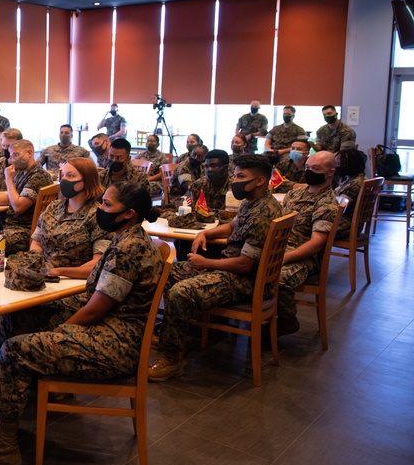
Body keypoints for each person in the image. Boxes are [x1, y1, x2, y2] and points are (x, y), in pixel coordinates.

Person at [0, 182, 163, 465]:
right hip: (110, 326)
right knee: (21, 316)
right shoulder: (127, 237)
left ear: (128, 213)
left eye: (106, 206)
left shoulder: (129, 249)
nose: (100, 211)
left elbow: (94, 310)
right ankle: (4, 400)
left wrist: (59, 332)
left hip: (115, 343)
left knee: (14, 351)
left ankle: (4, 447)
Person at [148, 154, 283, 381]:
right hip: (230, 270)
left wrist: (206, 263)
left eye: (241, 176)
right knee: (161, 272)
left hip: (244, 279)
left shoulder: (262, 214)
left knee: (181, 292)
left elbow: (245, 264)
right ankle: (169, 333)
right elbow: (232, 225)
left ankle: (171, 358)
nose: (235, 180)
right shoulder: (255, 202)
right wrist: (205, 233)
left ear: (260, 181)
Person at [274, 151, 339, 338]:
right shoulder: (295, 193)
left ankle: (286, 320)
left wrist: (282, 258)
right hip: (278, 248)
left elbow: (316, 244)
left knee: (277, 278)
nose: (310, 172)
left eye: (316, 169)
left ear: (330, 173)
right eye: (308, 167)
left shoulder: (326, 203)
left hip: (302, 257)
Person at [0, 139, 52, 256]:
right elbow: (11, 197)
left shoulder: (38, 176)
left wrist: (8, 179)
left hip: (22, 230)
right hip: (6, 224)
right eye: (11, 156)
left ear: (30, 153)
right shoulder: (22, 172)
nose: (13, 160)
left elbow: (18, 206)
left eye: (16, 155)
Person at [184, 149, 232, 215]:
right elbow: (184, 202)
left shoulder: (234, 186)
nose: (209, 169)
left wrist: (214, 211)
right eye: (206, 166)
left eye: (213, 166)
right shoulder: (200, 184)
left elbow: (237, 214)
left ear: (225, 168)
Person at [333, 148, 367, 236]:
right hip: (350, 223)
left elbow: (338, 207)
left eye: (339, 164)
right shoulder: (359, 178)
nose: (337, 167)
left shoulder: (354, 185)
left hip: (346, 225)